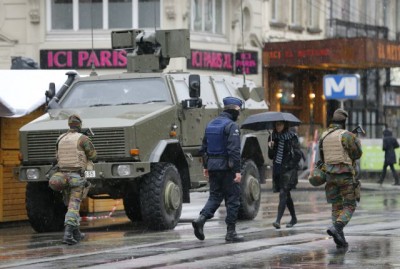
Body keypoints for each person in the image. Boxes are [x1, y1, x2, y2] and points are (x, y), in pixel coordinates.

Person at [192, 96, 244, 242]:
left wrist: (206, 166)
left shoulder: (211, 124)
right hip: (227, 168)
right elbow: (234, 151)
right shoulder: (231, 126)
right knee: (233, 198)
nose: (239, 115)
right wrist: (237, 171)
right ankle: (231, 232)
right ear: (234, 110)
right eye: (238, 111)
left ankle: (201, 220)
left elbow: (203, 148)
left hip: (213, 167)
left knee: (215, 197)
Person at [49, 114, 97, 245]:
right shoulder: (82, 139)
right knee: (74, 206)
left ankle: (76, 233)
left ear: (69, 125)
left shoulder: (60, 138)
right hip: (76, 177)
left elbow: (56, 156)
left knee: (69, 205)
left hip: (62, 176)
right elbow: (93, 155)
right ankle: (68, 235)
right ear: (79, 125)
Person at [319, 108, 362, 248]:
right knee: (350, 204)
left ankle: (340, 239)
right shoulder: (346, 135)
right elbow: (357, 154)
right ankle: (337, 228)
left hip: (330, 176)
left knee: (336, 206)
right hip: (344, 175)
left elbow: (322, 158)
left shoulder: (324, 136)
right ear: (344, 121)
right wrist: (357, 141)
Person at [268, 121, 302, 229]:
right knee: (286, 195)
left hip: (289, 170)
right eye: (276, 124)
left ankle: (278, 220)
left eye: (280, 124)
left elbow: (298, 154)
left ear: (285, 125)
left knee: (283, 193)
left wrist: (289, 165)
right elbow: (270, 156)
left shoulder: (292, 137)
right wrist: (271, 147)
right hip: (278, 169)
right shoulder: (272, 137)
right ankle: (294, 218)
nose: (278, 126)